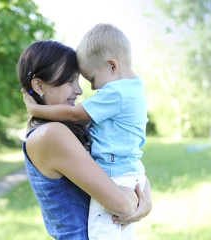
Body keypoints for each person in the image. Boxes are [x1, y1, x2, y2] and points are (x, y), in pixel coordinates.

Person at [18, 40, 152, 240]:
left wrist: (144, 200)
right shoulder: (50, 135)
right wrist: (143, 199)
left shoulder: (73, 128)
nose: (79, 90)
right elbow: (122, 205)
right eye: (69, 81)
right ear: (39, 85)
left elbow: (128, 165)